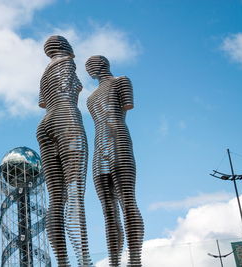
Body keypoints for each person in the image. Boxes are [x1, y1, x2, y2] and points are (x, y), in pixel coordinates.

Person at [36, 35, 93, 267]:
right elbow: (71, 88)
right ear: (67, 47)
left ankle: (63, 263)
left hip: (44, 124)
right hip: (66, 117)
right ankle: (84, 262)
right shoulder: (67, 63)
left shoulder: (43, 75)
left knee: (56, 200)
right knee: (76, 194)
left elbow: (42, 102)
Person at [86, 55, 144, 267]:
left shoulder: (121, 81)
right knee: (108, 210)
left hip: (118, 140)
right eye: (88, 66)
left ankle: (135, 260)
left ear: (104, 64)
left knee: (127, 201)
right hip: (98, 148)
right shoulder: (90, 98)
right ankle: (114, 262)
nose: (90, 69)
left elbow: (127, 106)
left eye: (93, 64)